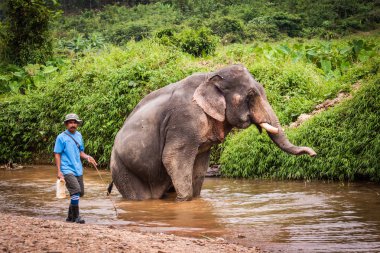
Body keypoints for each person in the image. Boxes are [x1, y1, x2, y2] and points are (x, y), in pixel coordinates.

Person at [54, 113, 97, 224]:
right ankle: (77, 217)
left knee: (79, 193)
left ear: (77, 124)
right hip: (66, 169)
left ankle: (70, 217)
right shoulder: (61, 137)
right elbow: (57, 154)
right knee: (76, 191)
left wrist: (88, 157)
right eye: (70, 122)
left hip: (78, 169)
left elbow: (80, 152)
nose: (72, 124)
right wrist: (59, 171)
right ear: (66, 124)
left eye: (74, 122)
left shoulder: (79, 135)